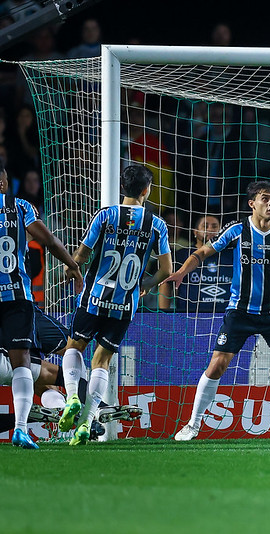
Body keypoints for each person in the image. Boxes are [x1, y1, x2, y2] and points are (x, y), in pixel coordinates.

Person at [166, 181, 270, 441]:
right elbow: (203, 252)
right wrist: (180, 273)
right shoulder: (236, 230)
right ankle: (193, 424)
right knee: (217, 366)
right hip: (240, 311)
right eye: (265, 198)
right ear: (251, 203)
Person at [57, 164, 172, 446]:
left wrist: (72, 268)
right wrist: (143, 287)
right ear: (147, 190)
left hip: (94, 297)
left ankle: (72, 395)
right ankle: (85, 422)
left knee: (74, 347)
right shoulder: (157, 224)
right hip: (125, 304)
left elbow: (83, 254)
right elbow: (166, 270)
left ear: (124, 188)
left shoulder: (106, 215)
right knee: (102, 361)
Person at [0, 164, 83, 449]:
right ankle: (20, 429)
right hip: (16, 299)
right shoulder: (20, 206)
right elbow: (47, 240)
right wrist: (72, 264)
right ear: (3, 182)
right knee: (23, 362)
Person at [0, 305, 143, 436]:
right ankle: (96, 408)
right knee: (71, 353)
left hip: (6, 356)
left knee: (45, 386)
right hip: (20, 317)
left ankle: (60, 412)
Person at [158, 214, 234, 312]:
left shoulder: (231, 255)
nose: (210, 229)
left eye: (215, 227)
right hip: (189, 315)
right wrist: (163, 314)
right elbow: (166, 284)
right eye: (205, 226)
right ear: (195, 232)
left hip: (225, 315)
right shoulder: (182, 255)